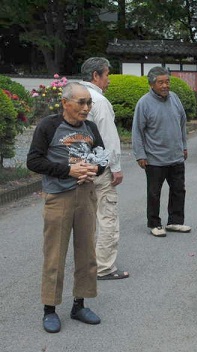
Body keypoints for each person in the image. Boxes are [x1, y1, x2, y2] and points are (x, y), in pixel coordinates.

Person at [27, 82, 107, 333]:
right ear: (65, 103)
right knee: (55, 255)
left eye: (89, 103)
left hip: (85, 195)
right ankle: (49, 309)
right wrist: (68, 170)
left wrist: (96, 169)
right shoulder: (48, 126)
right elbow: (33, 160)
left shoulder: (91, 128)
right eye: (81, 103)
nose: (86, 108)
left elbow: (101, 158)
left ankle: (79, 304)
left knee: (86, 253)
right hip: (58, 197)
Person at [80, 57, 129, 280]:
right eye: (107, 75)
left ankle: (85, 263)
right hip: (99, 167)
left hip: (77, 169)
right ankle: (103, 267)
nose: (109, 80)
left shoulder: (72, 97)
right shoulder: (99, 101)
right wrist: (116, 167)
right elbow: (109, 139)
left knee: (84, 219)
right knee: (106, 215)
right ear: (96, 76)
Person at [132, 66, 191, 237]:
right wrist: (140, 155)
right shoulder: (144, 103)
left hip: (176, 155)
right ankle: (154, 223)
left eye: (167, 81)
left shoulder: (175, 98)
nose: (165, 85)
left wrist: (184, 146)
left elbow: (182, 124)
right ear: (151, 84)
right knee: (154, 192)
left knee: (179, 190)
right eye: (161, 82)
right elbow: (137, 131)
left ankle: (175, 221)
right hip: (154, 158)